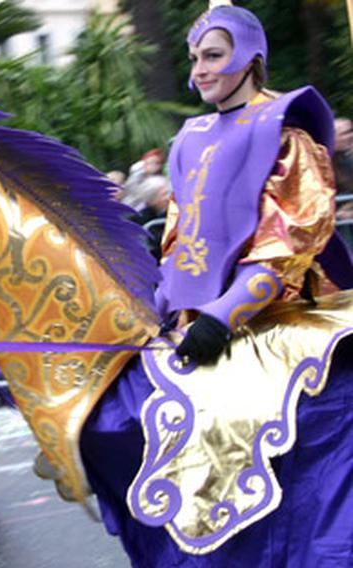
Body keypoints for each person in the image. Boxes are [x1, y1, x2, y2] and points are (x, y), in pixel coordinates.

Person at [80, 3, 353, 566]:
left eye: (213, 55)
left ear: (252, 57)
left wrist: (224, 315)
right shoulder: (191, 136)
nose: (198, 70)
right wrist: (150, 311)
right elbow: (179, 242)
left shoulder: (287, 133)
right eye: (194, 58)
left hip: (277, 318)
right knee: (115, 421)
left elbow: (289, 243)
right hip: (197, 321)